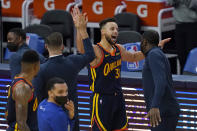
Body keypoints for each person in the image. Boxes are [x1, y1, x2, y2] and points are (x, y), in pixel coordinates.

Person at [72, 7, 170, 130]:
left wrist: (154, 48)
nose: (116, 32)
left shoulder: (118, 48)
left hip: (118, 97)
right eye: (112, 29)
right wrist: (79, 29)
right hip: (101, 99)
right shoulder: (96, 50)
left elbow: (134, 57)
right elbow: (82, 49)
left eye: (117, 29)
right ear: (103, 32)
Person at [33, 14, 95, 130]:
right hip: (71, 113)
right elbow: (90, 55)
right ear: (62, 46)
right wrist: (82, 30)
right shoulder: (72, 62)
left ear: (46, 46)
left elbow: (38, 95)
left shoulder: (41, 69)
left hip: (49, 116)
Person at [141, 30, 180, 131]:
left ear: (144, 42)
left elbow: (160, 82)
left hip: (162, 111)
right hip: (163, 110)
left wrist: (154, 106)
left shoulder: (154, 55)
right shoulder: (155, 53)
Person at [6, 50, 40, 131]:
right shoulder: (23, 88)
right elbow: (21, 124)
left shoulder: (18, 81)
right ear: (36, 66)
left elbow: (7, 114)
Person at [167, 0, 197, 73]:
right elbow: (170, 2)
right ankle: (182, 78)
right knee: (181, 56)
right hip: (179, 25)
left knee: (191, 55)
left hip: (193, 25)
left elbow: (194, 5)